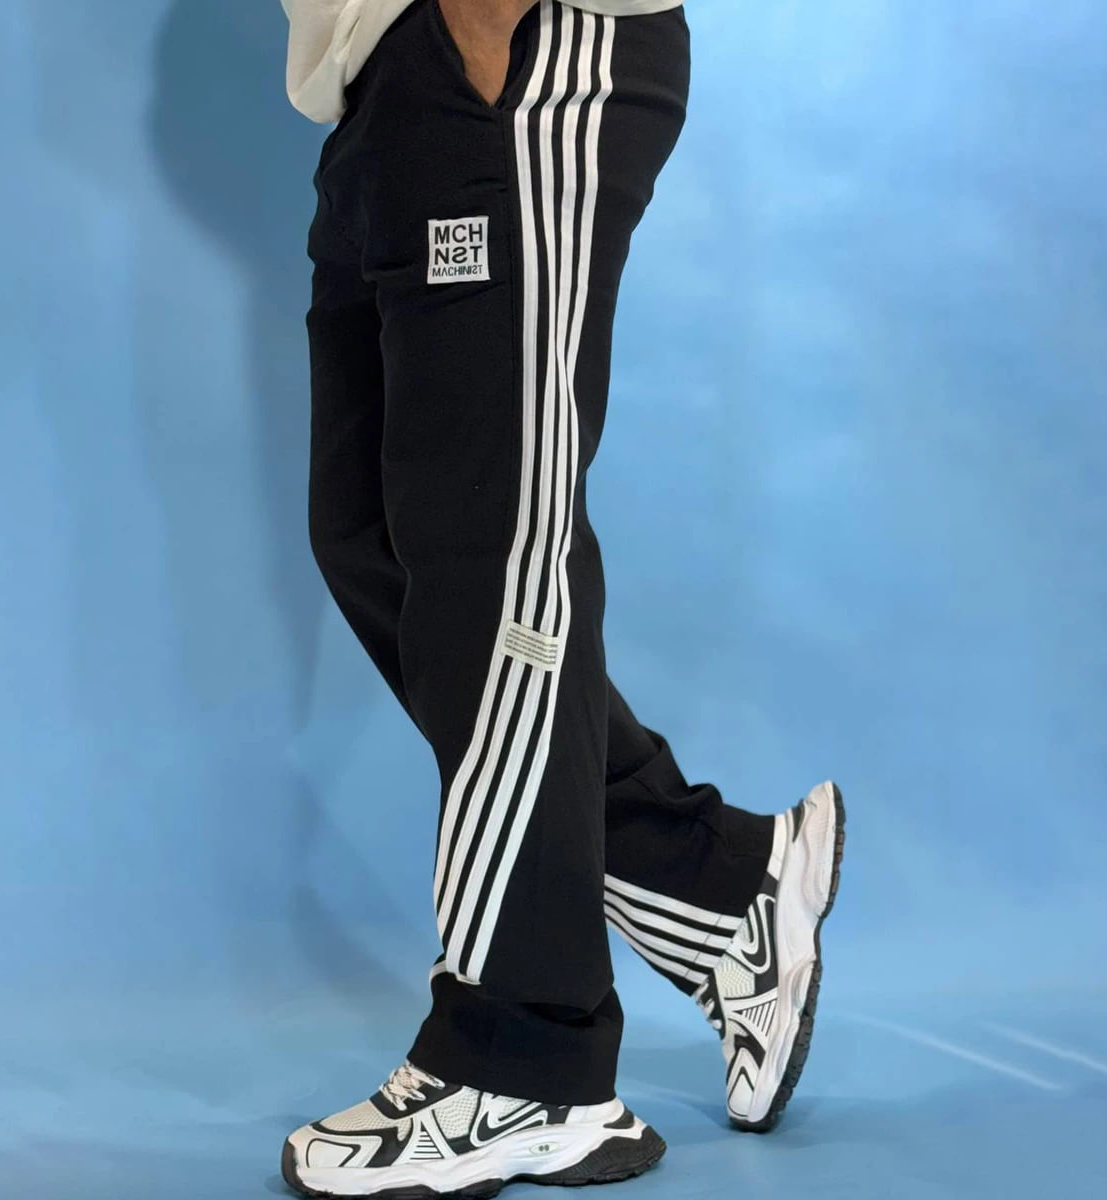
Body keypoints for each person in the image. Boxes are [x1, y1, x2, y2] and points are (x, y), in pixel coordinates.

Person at [277, 1, 845, 1195]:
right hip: (384, 77)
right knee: (376, 542)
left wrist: (477, 26)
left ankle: (525, 1057)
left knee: (493, 554)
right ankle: (718, 884)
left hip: (512, 49)